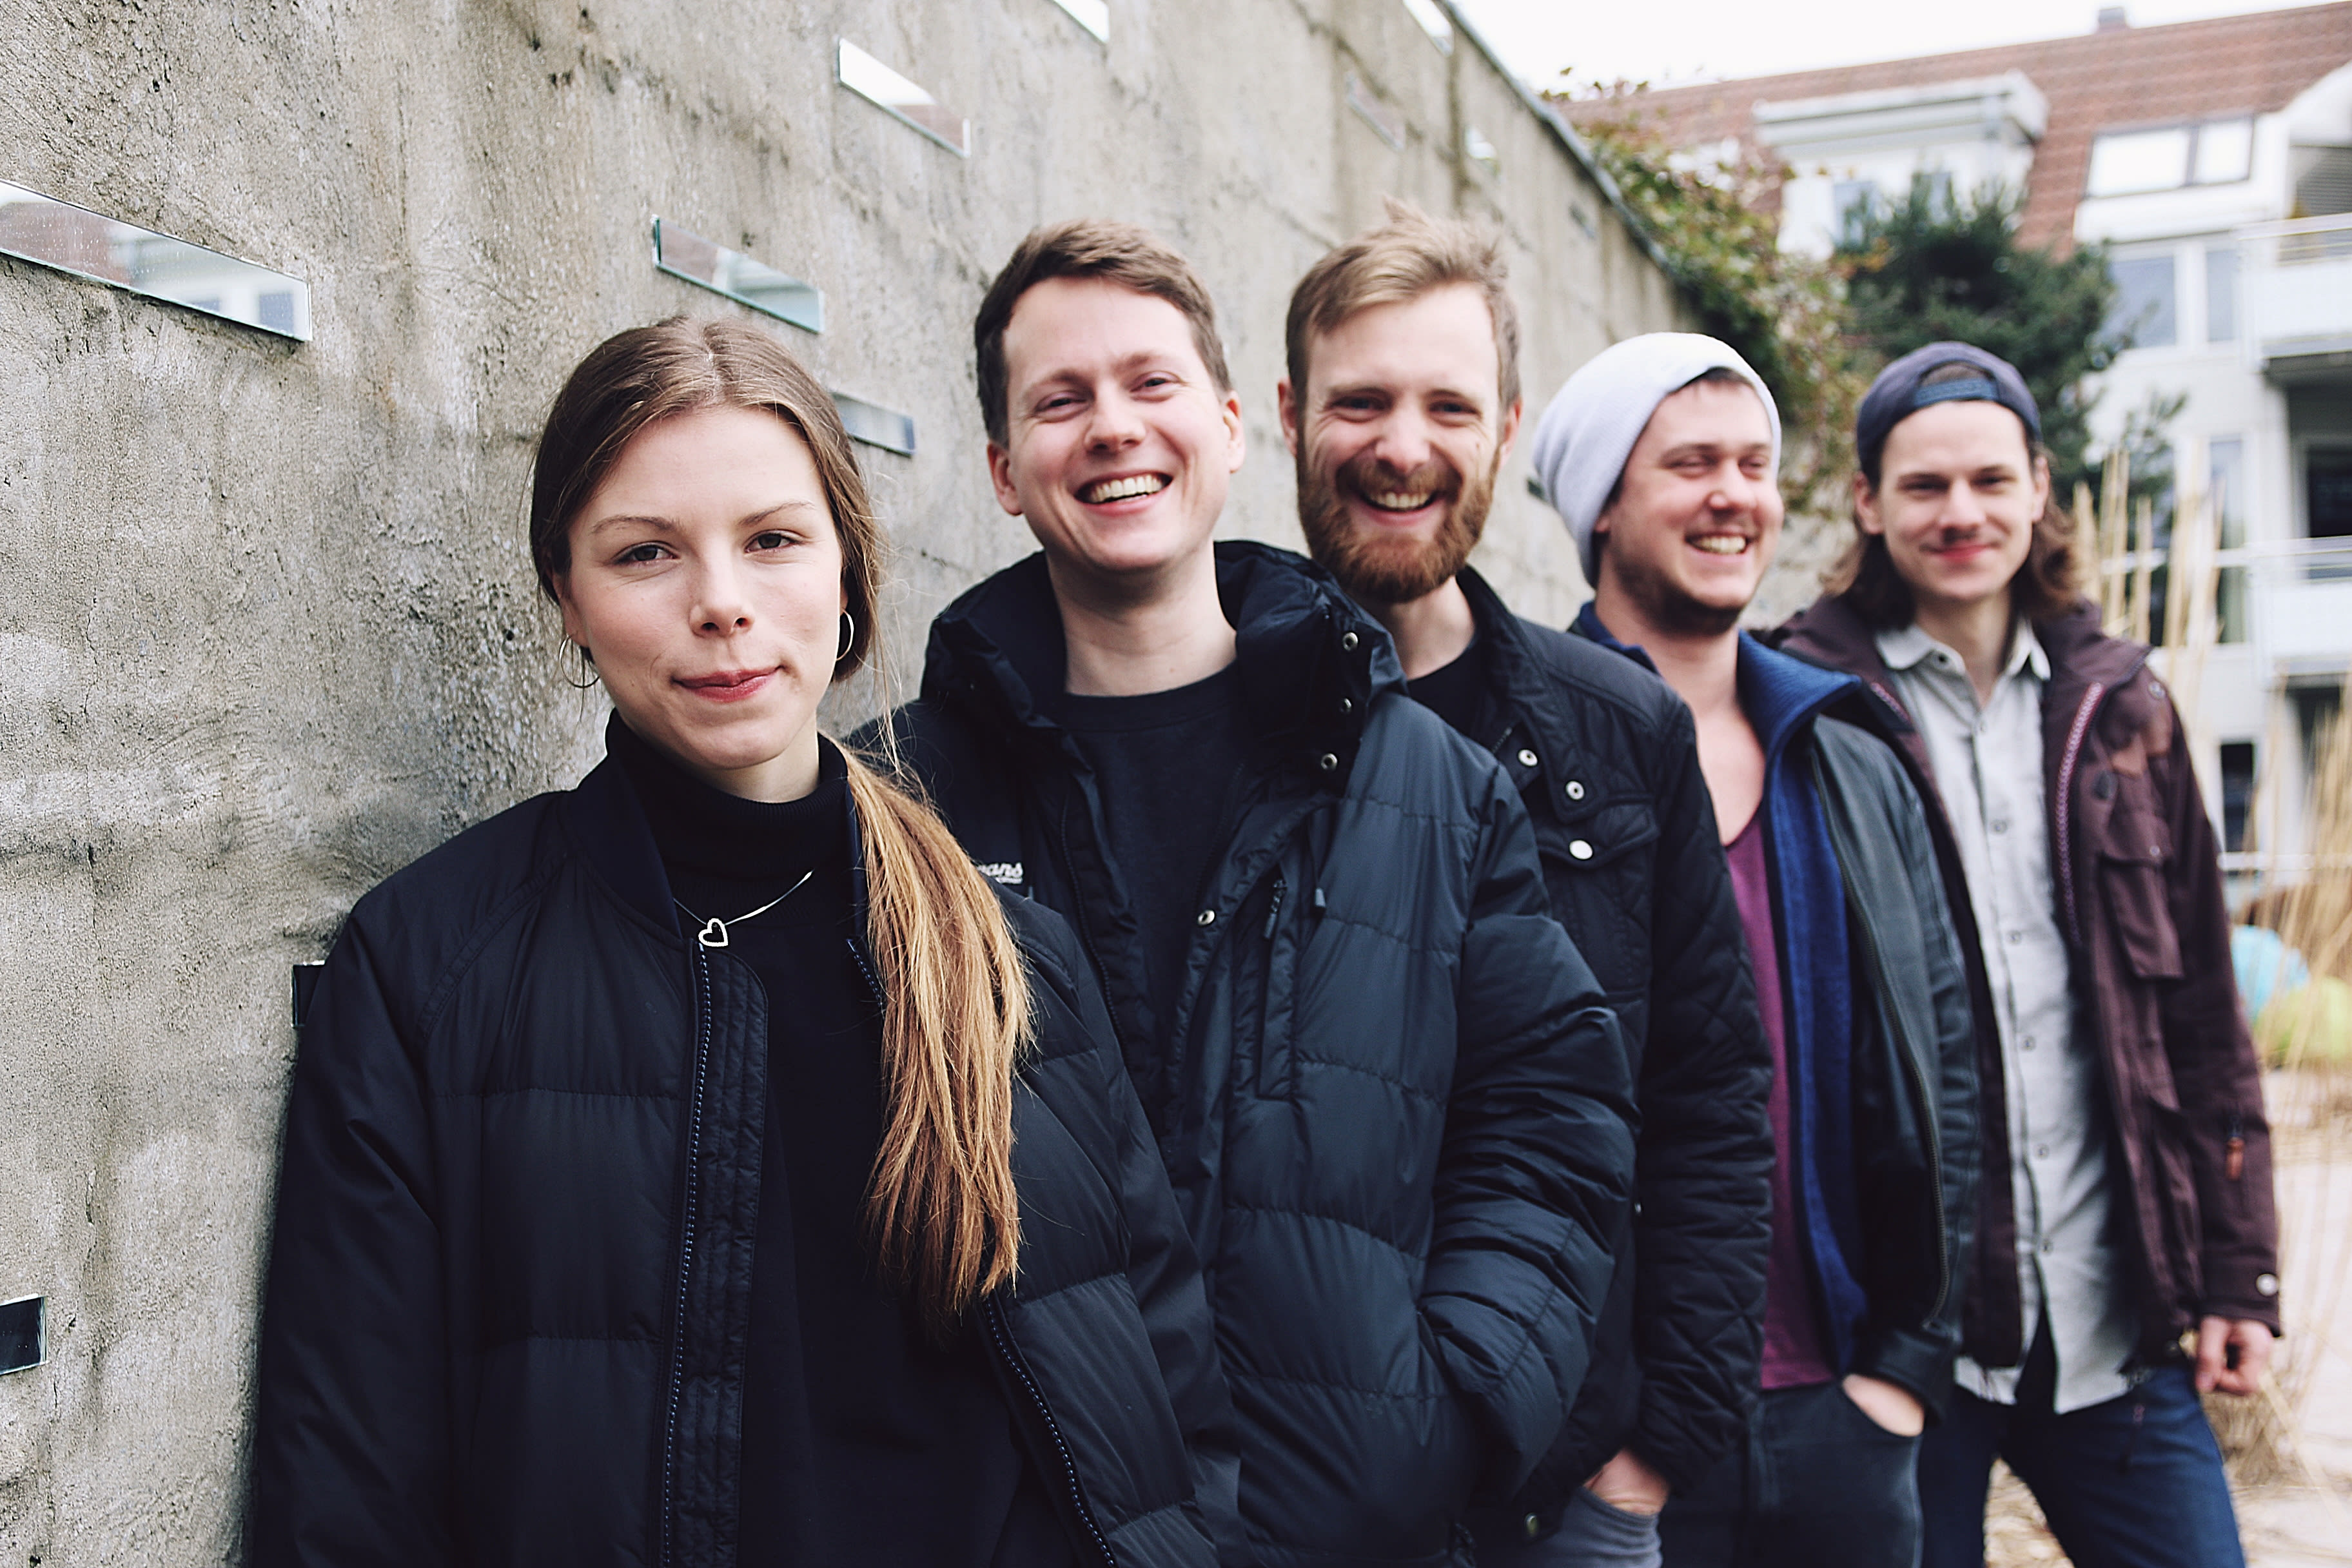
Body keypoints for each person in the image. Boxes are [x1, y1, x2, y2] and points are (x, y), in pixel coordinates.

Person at [248, 317, 1243, 1568]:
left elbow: (1169, 1416)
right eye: (645, 553)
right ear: (567, 594)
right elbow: (346, 1492)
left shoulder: (1010, 956)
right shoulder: (431, 963)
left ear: (847, 572)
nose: (721, 603)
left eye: (773, 540)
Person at [867, 219, 1637, 1567]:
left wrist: (1446, 1416)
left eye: (1151, 382)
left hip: (1352, 1531)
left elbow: (1550, 1127)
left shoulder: (1432, 787)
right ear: (1002, 469)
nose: (1114, 426)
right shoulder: (901, 802)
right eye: (1061, 399)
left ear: (1230, 428)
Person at [1279, 205, 1774, 1568]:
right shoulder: (1215, 715)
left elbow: (1709, 1097)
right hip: (1279, 1491)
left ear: (1504, 429)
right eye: (1361, 402)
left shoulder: (1622, 731)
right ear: (1288, 415)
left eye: (1448, 405)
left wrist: (1655, 1450)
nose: (1403, 447)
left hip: (1569, 1492)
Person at [1778, 341, 2282, 1568]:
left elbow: (2204, 1018)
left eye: (1991, 481)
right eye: (1925, 486)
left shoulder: (2127, 706)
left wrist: (2239, 1276)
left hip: (2116, 1328)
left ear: (2040, 488)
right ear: (1867, 502)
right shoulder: (1802, 703)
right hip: (1907, 1350)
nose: (1962, 514)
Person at [1531, 333, 1981, 1567]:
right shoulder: (1512, 752)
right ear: (1603, 504)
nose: (1734, 495)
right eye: (1690, 465)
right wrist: (1593, 1437)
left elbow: (1947, 1064)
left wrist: (1903, 1371)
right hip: (1612, 1441)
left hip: (1844, 1410)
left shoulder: (1849, 753)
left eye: (1755, 464)